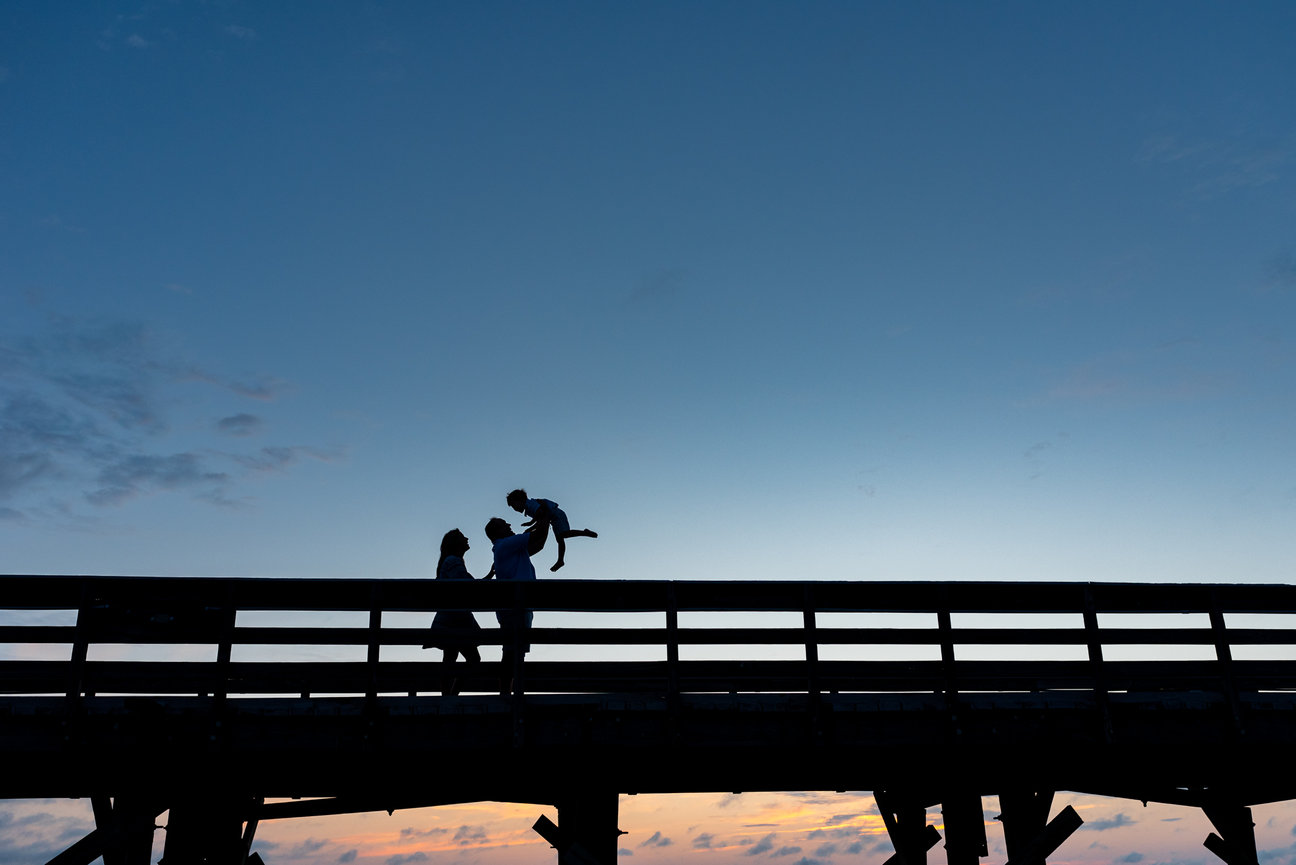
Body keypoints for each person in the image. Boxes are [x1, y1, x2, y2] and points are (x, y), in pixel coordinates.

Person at [484, 511, 550, 694]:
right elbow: (537, 536)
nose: (510, 526)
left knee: (515, 652)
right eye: (505, 524)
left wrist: (544, 521)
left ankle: (510, 693)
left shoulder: (511, 548)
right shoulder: (504, 545)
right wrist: (544, 514)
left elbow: (539, 543)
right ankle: (507, 694)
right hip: (514, 607)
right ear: (497, 531)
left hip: (519, 606)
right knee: (512, 653)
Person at [424, 529, 482, 696]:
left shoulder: (450, 561)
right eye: (463, 537)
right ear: (456, 543)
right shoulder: (453, 561)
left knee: (450, 657)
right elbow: (466, 584)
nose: (467, 538)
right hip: (455, 620)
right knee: (471, 659)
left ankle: (448, 695)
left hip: (450, 619)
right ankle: (450, 694)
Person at [505, 488, 597, 571]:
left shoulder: (530, 504)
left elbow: (541, 513)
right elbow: (540, 519)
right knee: (560, 538)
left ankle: (584, 532)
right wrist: (531, 527)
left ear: (520, 500)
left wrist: (530, 524)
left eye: (514, 505)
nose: (515, 509)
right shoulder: (529, 508)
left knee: (563, 534)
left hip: (556, 515)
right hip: (552, 518)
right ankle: (560, 560)